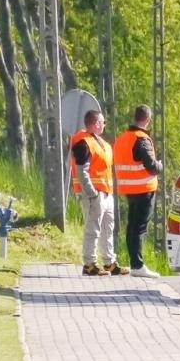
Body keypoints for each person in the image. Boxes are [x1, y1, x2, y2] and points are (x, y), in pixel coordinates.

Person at [112, 104, 163, 278]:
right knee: (139, 228)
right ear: (148, 120)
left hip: (129, 188)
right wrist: (160, 166)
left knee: (132, 226)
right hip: (144, 189)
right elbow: (151, 165)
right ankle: (138, 265)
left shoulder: (122, 138)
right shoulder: (142, 139)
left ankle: (135, 262)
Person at [69, 108, 117, 275]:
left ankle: (109, 262)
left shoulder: (98, 141)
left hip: (106, 192)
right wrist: (92, 193)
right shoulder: (84, 143)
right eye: (102, 122)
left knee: (108, 228)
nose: (104, 124)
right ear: (96, 124)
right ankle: (89, 264)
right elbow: (82, 171)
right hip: (95, 194)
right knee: (93, 229)